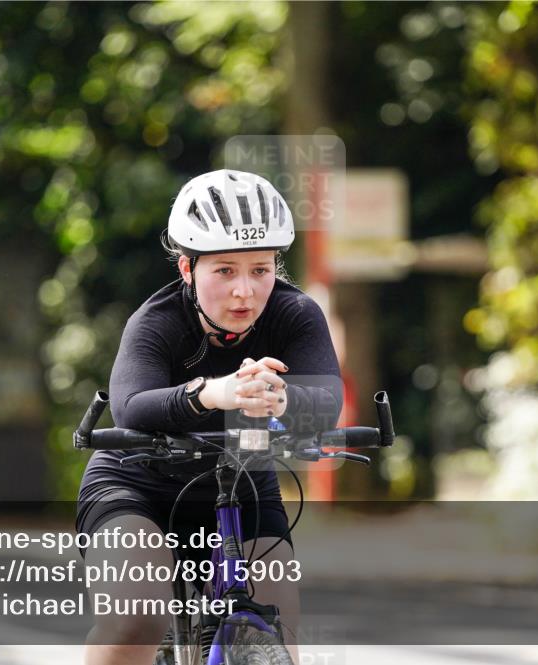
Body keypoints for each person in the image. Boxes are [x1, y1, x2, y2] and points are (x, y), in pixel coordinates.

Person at [77, 169, 343, 665]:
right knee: (137, 620)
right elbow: (130, 406)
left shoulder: (296, 314)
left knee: (276, 632)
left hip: (242, 483)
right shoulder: (156, 321)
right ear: (187, 268)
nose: (245, 291)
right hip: (138, 484)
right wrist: (214, 393)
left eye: (260, 270)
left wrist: (282, 399)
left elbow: (327, 400)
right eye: (224, 271)